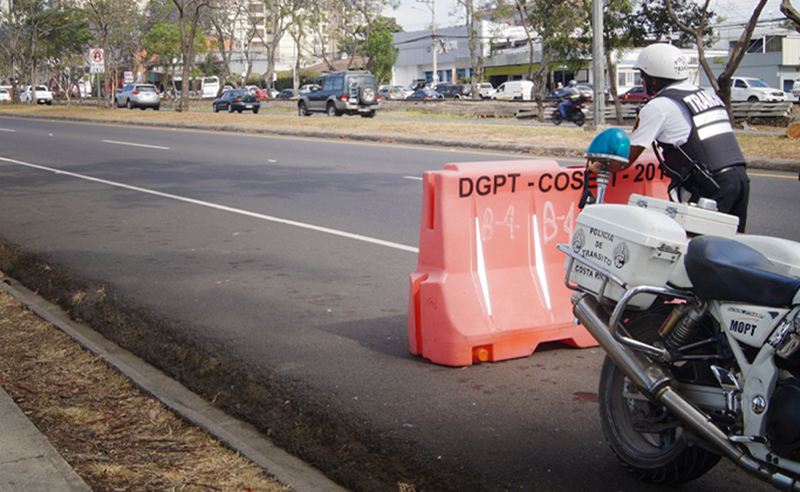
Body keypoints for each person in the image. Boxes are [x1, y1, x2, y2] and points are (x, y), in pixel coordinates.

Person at [590, 43, 750, 232]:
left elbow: (624, 160)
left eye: (643, 76)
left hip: (712, 187)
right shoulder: (707, 96)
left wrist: (597, 166)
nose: (642, 81)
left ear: (654, 80)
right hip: (740, 179)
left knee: (697, 250)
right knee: (732, 248)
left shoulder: (658, 107)